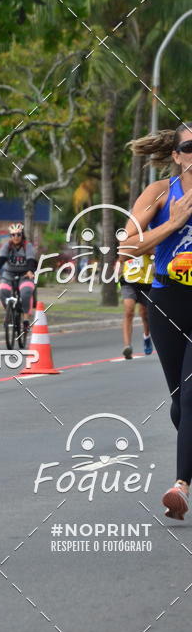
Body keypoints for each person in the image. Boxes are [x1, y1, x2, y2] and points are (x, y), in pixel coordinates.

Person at [120, 121, 192, 520]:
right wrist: (172, 224)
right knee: (180, 404)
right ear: (177, 155)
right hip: (166, 299)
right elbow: (127, 245)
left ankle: (180, 485)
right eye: (191, 147)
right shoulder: (161, 193)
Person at [0, 222, 37, 336]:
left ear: (22, 235)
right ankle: (8, 313)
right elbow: (2, 259)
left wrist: (30, 271)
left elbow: (30, 260)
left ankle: (25, 320)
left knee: (26, 292)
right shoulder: (7, 246)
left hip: (25, 275)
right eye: (13, 235)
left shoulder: (27, 246)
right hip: (9, 273)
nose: (15, 237)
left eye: (18, 234)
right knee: (2, 291)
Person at [118, 254, 154, 359]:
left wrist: (142, 247)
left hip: (146, 281)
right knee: (129, 311)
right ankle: (127, 346)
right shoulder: (127, 238)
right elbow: (121, 255)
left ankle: (147, 336)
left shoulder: (148, 238)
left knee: (145, 314)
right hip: (128, 280)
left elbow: (154, 252)